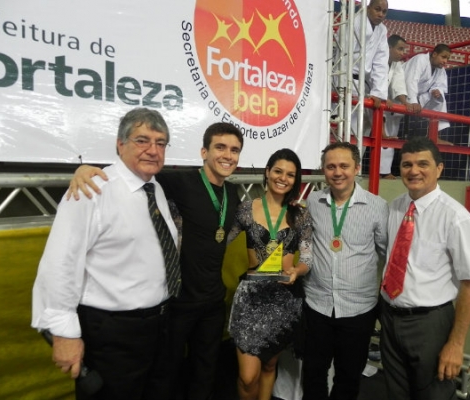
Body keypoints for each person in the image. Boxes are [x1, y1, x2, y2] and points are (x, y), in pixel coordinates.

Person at [68, 122, 244, 400]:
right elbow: (133, 171)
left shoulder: (233, 193)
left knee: (205, 372)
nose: (228, 155)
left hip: (213, 302)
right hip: (177, 302)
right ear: (204, 152)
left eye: (234, 150)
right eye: (220, 147)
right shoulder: (179, 182)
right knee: (166, 375)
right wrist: (87, 170)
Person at [32, 108, 179, 400]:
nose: (153, 150)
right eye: (142, 140)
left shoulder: (156, 189)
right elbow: (60, 263)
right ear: (120, 144)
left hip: (159, 326)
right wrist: (64, 332)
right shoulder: (92, 189)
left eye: (161, 143)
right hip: (112, 334)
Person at [379, 137, 470, 400]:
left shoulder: (457, 218)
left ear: (439, 169)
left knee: (433, 395)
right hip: (390, 317)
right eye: (407, 164)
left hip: (429, 323)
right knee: (395, 393)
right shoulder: (396, 207)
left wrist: (456, 344)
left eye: (423, 164)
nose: (414, 171)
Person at [302, 142, 388, 400]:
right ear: (323, 170)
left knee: (348, 378)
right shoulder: (313, 201)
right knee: (313, 374)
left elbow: (385, 253)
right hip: (317, 305)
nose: (337, 172)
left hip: (358, 310)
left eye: (344, 166)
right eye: (331, 167)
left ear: (357, 168)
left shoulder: (377, 206)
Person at [227, 148, 312, 400]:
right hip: (251, 298)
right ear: (267, 172)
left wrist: (297, 270)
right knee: (247, 377)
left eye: (290, 174)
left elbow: (307, 258)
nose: (283, 178)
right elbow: (220, 241)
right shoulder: (246, 209)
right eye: (278, 171)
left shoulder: (300, 214)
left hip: (283, 299)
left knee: (269, 365)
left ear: (296, 179)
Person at [380, 34, 422, 179]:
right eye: (399, 49)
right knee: (359, 135)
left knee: (388, 138)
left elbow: (398, 84)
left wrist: (405, 103)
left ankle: (384, 171)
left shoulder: (397, 65)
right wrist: (383, 97)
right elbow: (372, 80)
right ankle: (355, 171)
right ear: (389, 47)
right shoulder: (378, 58)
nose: (402, 53)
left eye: (403, 50)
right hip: (369, 97)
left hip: (383, 102)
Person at [349, 0, 390, 141]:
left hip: (362, 84)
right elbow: (343, 56)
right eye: (377, 9)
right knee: (341, 128)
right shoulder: (355, 22)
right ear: (368, 8)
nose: (381, 14)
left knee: (356, 131)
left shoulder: (382, 30)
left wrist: (378, 92)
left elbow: (381, 62)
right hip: (344, 80)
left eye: (384, 12)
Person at [404, 44, 453, 144]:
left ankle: (435, 135)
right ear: (434, 54)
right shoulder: (420, 59)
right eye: (443, 57)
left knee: (440, 98)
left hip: (418, 96)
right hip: (402, 92)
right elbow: (411, 81)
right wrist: (413, 101)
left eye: (447, 59)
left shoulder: (440, 70)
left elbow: (440, 85)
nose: (445, 61)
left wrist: (436, 91)